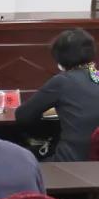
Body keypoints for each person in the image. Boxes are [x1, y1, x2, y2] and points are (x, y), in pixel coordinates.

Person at [15, 27, 99, 162]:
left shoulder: (63, 81)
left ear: (60, 58)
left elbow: (22, 115)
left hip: (71, 162)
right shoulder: (96, 75)